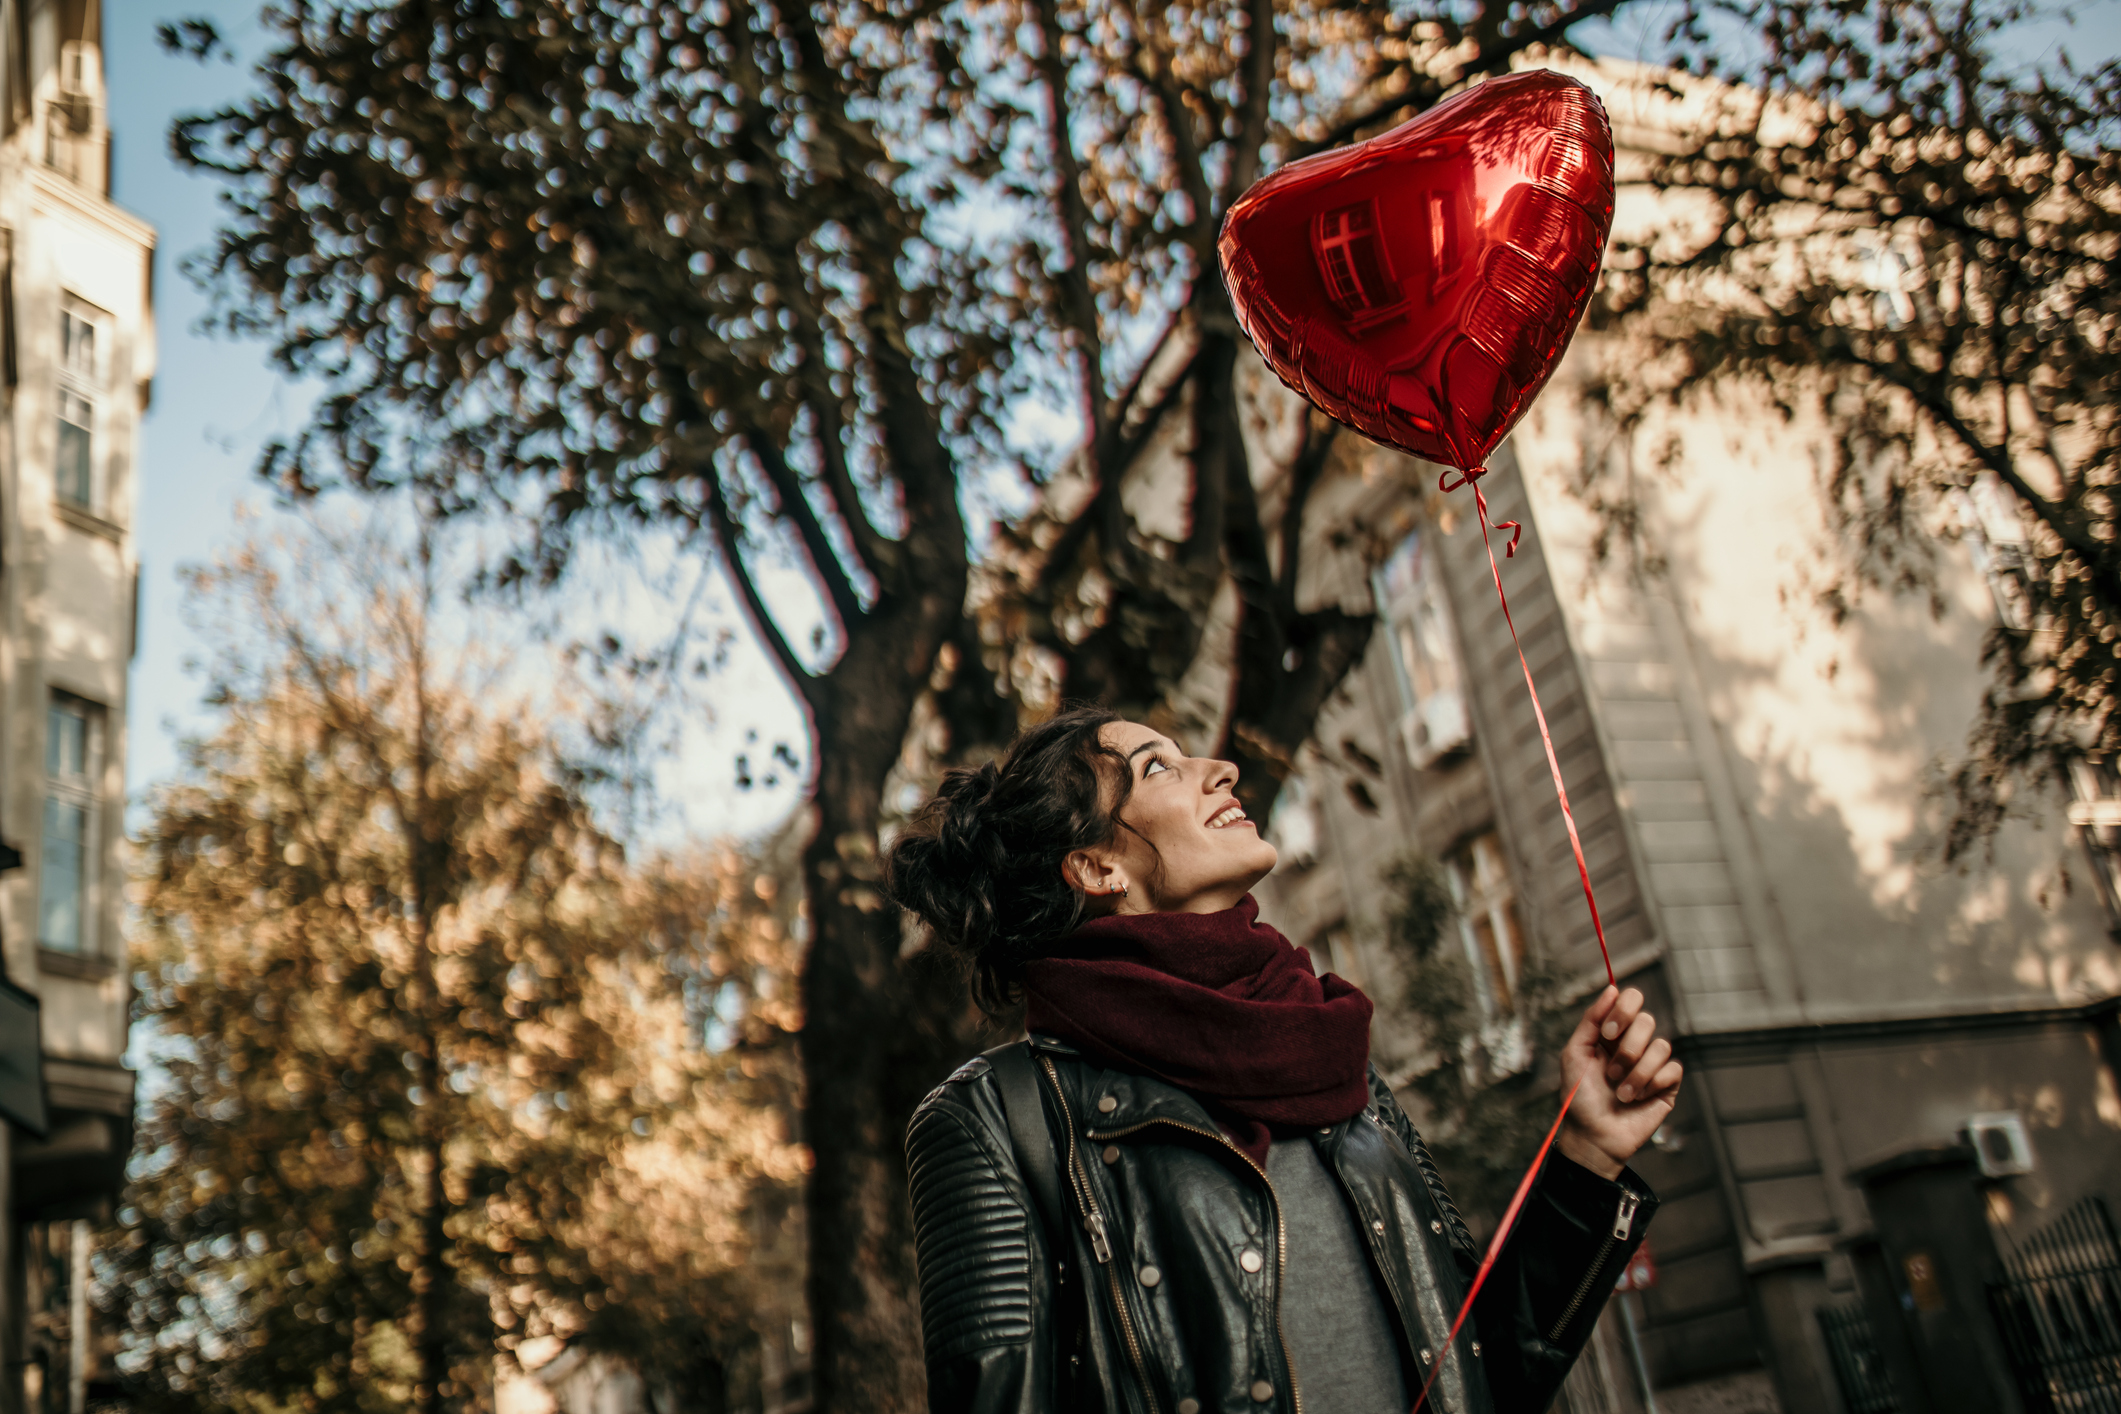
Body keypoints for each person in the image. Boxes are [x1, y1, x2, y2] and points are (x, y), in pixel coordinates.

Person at [887, 707, 1682, 1414]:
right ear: (1098, 868)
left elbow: (1482, 1375)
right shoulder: (996, 1121)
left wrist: (1584, 1155)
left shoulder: (1337, 1064)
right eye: (1157, 767)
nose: (1220, 769)